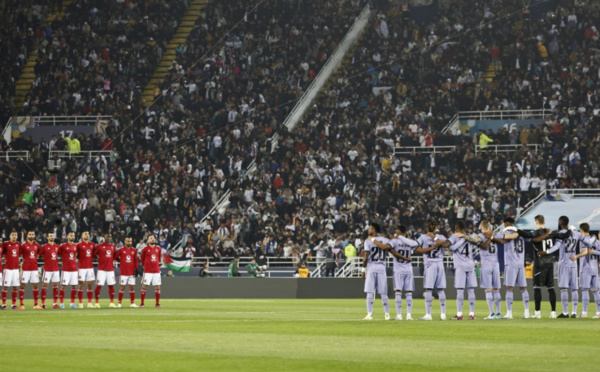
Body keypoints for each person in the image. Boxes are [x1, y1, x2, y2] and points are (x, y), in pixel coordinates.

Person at [516, 215, 560, 318]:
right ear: (544, 221)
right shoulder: (551, 232)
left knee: (537, 287)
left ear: (536, 222)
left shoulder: (536, 232)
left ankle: (537, 312)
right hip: (550, 262)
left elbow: (527, 234)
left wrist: (517, 230)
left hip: (540, 263)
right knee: (551, 288)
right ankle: (553, 312)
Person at [539, 216, 581, 318]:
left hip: (564, 264)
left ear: (560, 222)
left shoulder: (560, 234)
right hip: (574, 264)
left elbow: (557, 246)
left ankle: (565, 313)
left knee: (563, 288)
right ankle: (574, 312)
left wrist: (546, 252)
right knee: (574, 289)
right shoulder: (576, 233)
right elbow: (585, 240)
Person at [447, 220, 482, 320]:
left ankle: (459, 314)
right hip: (470, 265)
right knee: (471, 290)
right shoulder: (470, 237)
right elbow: (478, 243)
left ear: (457, 228)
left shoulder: (454, 237)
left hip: (460, 267)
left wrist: (462, 239)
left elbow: (452, 248)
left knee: (460, 290)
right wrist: (466, 238)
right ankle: (471, 314)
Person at [499, 217, 532, 319]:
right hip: (520, 264)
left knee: (509, 288)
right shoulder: (521, 233)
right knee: (523, 288)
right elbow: (530, 238)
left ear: (506, 224)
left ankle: (509, 313)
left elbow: (500, 238)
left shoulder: (507, 233)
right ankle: (527, 312)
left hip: (511, 263)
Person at [416, 219, 448, 320]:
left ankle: (428, 314)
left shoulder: (423, 237)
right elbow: (445, 245)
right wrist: (435, 240)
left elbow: (417, 249)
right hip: (439, 263)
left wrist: (432, 239)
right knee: (441, 289)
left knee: (428, 289)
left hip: (430, 264)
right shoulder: (441, 237)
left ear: (427, 227)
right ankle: (443, 314)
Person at [361, 222, 391, 321]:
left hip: (371, 267)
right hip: (382, 267)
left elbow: (365, 257)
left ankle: (369, 314)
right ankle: (387, 314)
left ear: (374, 230)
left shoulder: (368, 241)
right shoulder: (385, 240)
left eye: (369, 228)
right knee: (383, 293)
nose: (368, 230)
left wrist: (363, 270)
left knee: (370, 292)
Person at [387, 225, 417, 320]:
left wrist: (398, 238)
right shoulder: (410, 242)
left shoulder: (394, 241)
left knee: (398, 291)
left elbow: (388, 246)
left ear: (399, 231)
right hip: (408, 269)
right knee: (408, 292)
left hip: (398, 269)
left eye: (396, 231)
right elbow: (415, 245)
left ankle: (399, 315)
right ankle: (409, 315)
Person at [571, 223, 600, 318]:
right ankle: (599, 312)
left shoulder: (583, 240)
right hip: (595, 269)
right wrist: (594, 252)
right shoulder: (596, 241)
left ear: (581, 230)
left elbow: (585, 252)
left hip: (586, 268)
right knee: (596, 291)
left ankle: (584, 313)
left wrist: (576, 256)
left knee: (584, 290)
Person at [477, 220, 502, 319]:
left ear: (482, 227)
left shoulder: (481, 236)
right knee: (496, 289)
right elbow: (502, 241)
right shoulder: (495, 234)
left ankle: (492, 314)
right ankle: (499, 313)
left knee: (488, 289)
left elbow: (483, 246)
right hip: (495, 264)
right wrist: (493, 237)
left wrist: (490, 237)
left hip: (486, 264)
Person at [94, 234, 117, 308]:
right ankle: (97, 303)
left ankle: (111, 303)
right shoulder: (100, 246)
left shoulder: (113, 246)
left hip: (110, 269)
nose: (109, 238)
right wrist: (99, 259)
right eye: (108, 237)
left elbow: (114, 256)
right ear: (104, 237)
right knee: (99, 286)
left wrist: (111, 262)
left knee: (111, 285)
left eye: (110, 237)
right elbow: (94, 255)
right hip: (101, 270)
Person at [115, 237, 139, 308]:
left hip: (131, 272)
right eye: (128, 241)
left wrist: (137, 269)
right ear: (125, 241)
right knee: (122, 287)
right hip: (123, 272)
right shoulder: (121, 250)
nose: (129, 242)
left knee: (132, 287)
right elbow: (116, 257)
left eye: (130, 241)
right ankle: (119, 303)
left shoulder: (134, 250)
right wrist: (121, 261)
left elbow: (135, 260)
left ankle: (132, 303)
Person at [20, 230, 41, 309]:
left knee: (35, 285)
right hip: (26, 268)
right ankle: (22, 304)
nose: (31, 235)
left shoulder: (37, 245)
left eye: (32, 234)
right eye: (30, 234)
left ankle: (36, 304)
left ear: (34, 235)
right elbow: (19, 254)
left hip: (34, 268)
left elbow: (38, 254)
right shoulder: (24, 245)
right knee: (23, 285)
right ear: (27, 235)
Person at [39, 232, 61, 309]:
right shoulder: (44, 247)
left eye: (52, 236)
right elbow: (39, 255)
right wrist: (45, 259)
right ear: (47, 238)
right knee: (45, 286)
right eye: (50, 236)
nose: (51, 237)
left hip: (56, 269)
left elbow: (61, 255)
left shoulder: (57, 247)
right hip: (47, 269)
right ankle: (43, 304)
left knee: (55, 286)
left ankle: (55, 304)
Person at [140, 235, 162, 308]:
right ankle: (142, 303)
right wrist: (146, 265)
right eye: (151, 238)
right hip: (147, 271)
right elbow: (142, 259)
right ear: (148, 240)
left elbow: (159, 259)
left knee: (157, 286)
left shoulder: (158, 249)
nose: (152, 239)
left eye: (153, 238)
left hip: (156, 271)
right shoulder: (145, 249)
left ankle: (157, 303)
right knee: (144, 286)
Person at [59, 232, 79, 309]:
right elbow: (59, 254)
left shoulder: (75, 246)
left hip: (74, 269)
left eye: (73, 235)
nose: (72, 237)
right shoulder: (63, 246)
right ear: (67, 236)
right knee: (63, 286)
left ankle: (72, 304)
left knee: (74, 286)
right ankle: (61, 303)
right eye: (71, 235)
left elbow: (76, 255)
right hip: (66, 270)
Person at [2, 232, 21, 310]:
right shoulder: (5, 244)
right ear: (9, 236)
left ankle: (13, 304)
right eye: (12, 235)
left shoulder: (18, 244)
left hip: (16, 269)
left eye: (15, 235)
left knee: (15, 287)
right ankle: (3, 304)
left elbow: (19, 254)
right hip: (8, 269)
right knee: (5, 287)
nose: (14, 236)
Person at [77, 231, 96, 308]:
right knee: (81, 284)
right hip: (82, 268)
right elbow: (76, 255)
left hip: (90, 268)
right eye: (85, 234)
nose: (87, 235)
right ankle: (80, 303)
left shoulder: (92, 245)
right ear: (82, 236)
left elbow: (94, 255)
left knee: (90, 285)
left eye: (88, 234)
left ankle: (89, 303)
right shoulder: (79, 245)